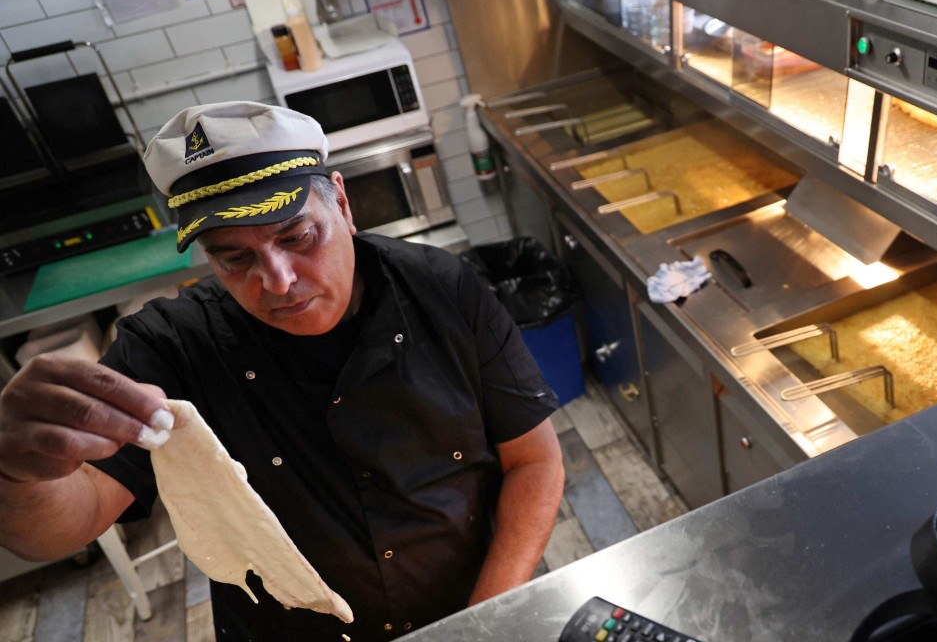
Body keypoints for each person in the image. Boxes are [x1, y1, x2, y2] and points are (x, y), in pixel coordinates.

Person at [0, 102, 565, 641]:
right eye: (235, 259)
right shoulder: (174, 348)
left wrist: (481, 626)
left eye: (296, 238)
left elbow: (535, 460)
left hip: (476, 605)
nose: (277, 280)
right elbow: (64, 525)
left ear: (340, 203)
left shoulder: (443, 289)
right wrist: (17, 473)